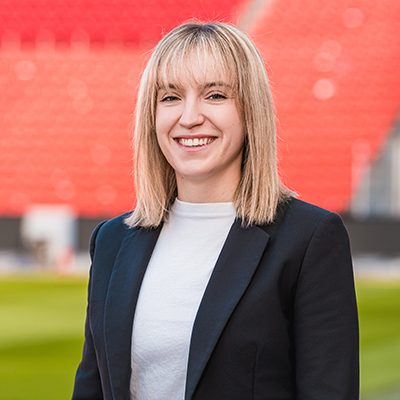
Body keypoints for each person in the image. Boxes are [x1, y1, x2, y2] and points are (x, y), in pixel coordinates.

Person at [72, 22, 359, 400]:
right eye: (171, 97)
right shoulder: (111, 241)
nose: (189, 117)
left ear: (250, 111)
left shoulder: (309, 240)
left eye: (215, 95)